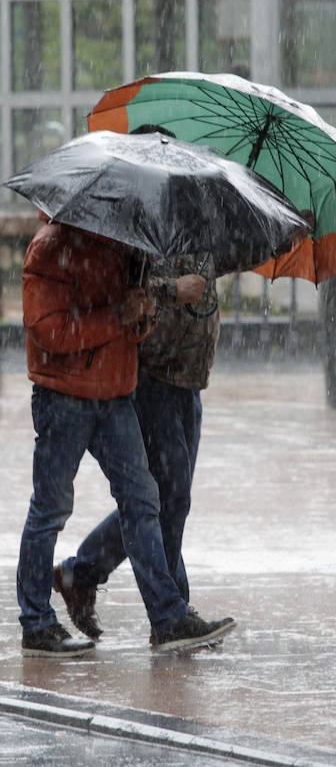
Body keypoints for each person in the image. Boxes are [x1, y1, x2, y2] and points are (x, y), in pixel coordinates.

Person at [17, 215, 236, 657]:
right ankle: (36, 623)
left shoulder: (123, 247)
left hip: (116, 395)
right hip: (65, 397)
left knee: (143, 501)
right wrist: (120, 315)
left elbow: (133, 328)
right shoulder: (49, 248)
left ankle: (168, 618)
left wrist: (141, 315)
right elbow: (49, 330)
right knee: (50, 510)